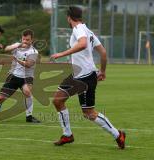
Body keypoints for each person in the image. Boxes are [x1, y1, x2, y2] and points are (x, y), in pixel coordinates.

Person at [51, 6, 126, 149]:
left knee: (89, 113)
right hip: (78, 74)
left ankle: (118, 134)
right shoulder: (88, 31)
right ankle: (67, 135)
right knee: (58, 100)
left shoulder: (78, 29)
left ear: (69, 18)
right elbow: (103, 52)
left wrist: (61, 54)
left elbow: (83, 43)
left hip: (85, 77)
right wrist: (102, 71)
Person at [0, 29, 41, 123]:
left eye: (28, 40)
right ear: (21, 38)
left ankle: (29, 117)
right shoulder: (17, 46)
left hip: (27, 77)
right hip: (13, 76)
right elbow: (5, 49)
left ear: (32, 40)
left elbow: (29, 64)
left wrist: (17, 60)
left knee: (27, 91)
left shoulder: (34, 51)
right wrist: (17, 45)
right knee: (1, 98)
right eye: (24, 39)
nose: (25, 41)